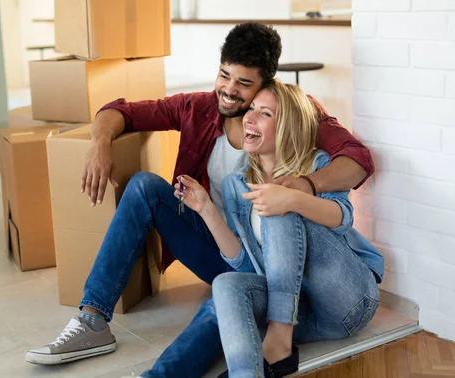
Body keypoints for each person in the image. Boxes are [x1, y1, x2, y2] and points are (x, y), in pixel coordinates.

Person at [25, 22, 375, 377]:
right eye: (224, 75)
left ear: (265, 88)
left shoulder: (292, 117)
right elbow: (123, 111)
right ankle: (93, 319)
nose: (228, 91)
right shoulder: (204, 114)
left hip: (284, 269)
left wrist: (304, 186)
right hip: (230, 252)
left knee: (222, 302)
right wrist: (99, 144)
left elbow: (357, 158)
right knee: (146, 188)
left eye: (244, 84)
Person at [173, 80, 383, 377]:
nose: (249, 117)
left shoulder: (318, 164)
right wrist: (206, 208)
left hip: (348, 298)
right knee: (226, 284)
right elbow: (245, 264)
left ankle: (279, 339)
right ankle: (247, 372)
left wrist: (295, 198)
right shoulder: (237, 184)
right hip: (305, 315)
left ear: (288, 127)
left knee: (276, 203)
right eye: (252, 110)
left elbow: (342, 217)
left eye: (265, 113)